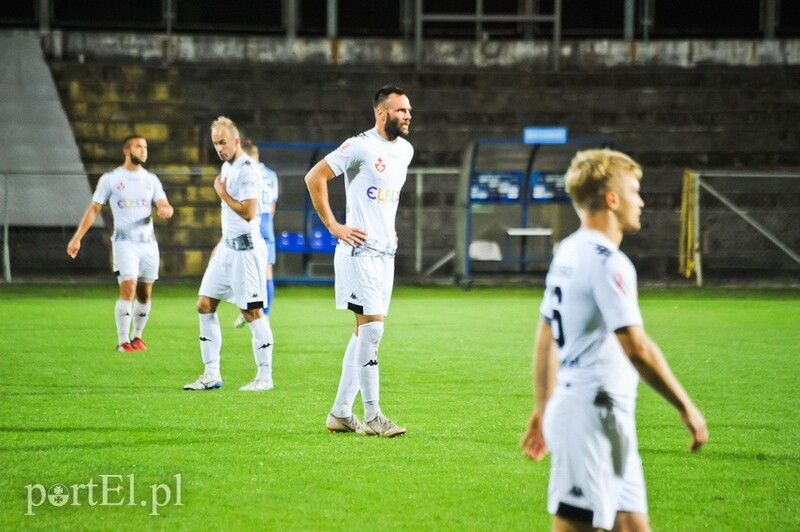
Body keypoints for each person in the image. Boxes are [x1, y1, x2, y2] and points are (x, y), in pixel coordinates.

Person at [520, 149, 708, 531]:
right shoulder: (608, 262)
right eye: (635, 190)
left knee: (633, 527)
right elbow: (636, 347)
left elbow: (545, 336)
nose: (641, 201)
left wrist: (544, 408)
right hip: (590, 420)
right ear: (612, 198)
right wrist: (685, 406)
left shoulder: (569, 250)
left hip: (606, 420)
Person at [304, 85, 413, 437]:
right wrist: (334, 225)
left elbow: (385, 201)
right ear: (382, 113)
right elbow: (314, 177)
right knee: (373, 329)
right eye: (400, 111)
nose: (408, 115)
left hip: (386, 255)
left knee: (362, 334)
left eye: (409, 110)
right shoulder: (360, 146)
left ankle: (339, 413)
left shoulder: (406, 151)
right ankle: (373, 415)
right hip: (358, 252)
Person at [184, 116, 275, 392]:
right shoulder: (227, 166)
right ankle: (211, 374)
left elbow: (248, 212)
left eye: (223, 142)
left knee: (252, 312)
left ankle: (264, 377)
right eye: (215, 143)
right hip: (227, 248)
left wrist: (222, 193)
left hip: (246, 251)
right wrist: (221, 242)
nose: (219, 148)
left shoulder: (247, 170)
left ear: (236, 141)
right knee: (204, 304)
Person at [67, 135, 173, 352]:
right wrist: (77, 237)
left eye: (145, 146)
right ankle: (123, 341)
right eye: (138, 146)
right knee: (129, 287)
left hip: (148, 243)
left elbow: (163, 202)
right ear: (127, 150)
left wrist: (166, 209)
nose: (143, 150)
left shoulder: (151, 179)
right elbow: (94, 208)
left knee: (144, 293)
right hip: (125, 243)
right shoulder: (111, 179)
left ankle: (137, 337)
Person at [234, 140, 279, 327]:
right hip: (267, 221)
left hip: (250, 221)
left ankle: (248, 311)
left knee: (245, 270)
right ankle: (264, 315)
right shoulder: (271, 174)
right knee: (267, 271)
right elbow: (273, 204)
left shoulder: (244, 172)